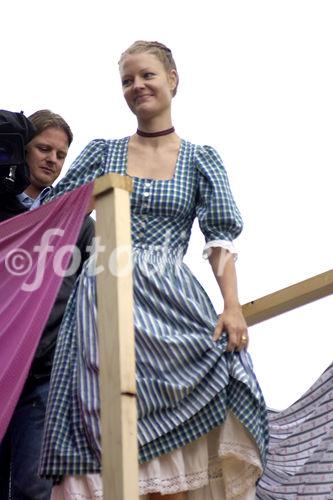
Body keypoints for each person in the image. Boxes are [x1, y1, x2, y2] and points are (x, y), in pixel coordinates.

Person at [39, 41, 269, 499]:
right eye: (127, 80)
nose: (137, 86)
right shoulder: (104, 152)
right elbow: (55, 214)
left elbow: (220, 240)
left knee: (174, 462)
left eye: (147, 75)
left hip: (172, 304)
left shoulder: (202, 159)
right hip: (102, 297)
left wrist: (232, 306)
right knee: (103, 431)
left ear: (172, 79)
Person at [0, 110, 95, 500]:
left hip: (44, 373)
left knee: (32, 486)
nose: (52, 159)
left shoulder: (79, 224)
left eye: (61, 153)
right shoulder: (3, 209)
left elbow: (96, 290)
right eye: (43, 148)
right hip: (3, 360)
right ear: (23, 150)